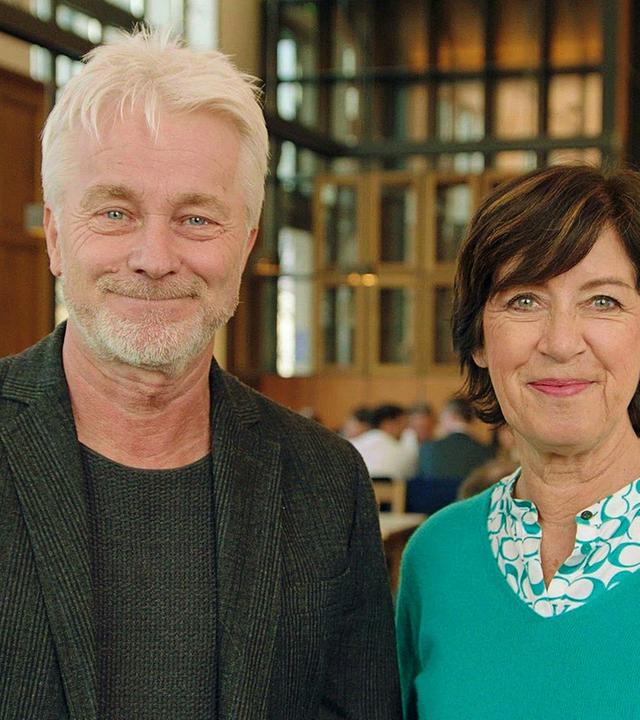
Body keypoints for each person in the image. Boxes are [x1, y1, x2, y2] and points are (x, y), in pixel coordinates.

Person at [0, 29, 401, 720]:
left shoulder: (325, 482)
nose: (155, 258)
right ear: (59, 236)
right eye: (116, 213)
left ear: (244, 246)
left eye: (195, 218)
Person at [396, 164, 640, 719]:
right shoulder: (436, 556)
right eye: (524, 300)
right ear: (479, 340)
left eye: (603, 301)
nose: (560, 342)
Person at [350, 403, 417, 481]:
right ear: (388, 424)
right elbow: (411, 472)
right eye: (403, 424)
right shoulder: (402, 451)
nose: (405, 429)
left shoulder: (353, 445)